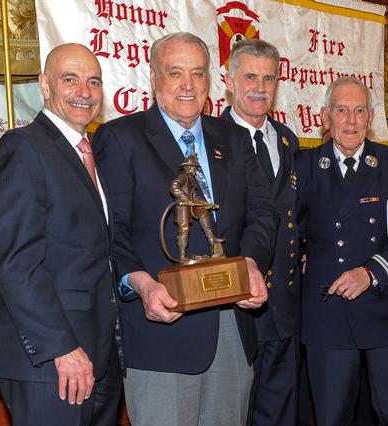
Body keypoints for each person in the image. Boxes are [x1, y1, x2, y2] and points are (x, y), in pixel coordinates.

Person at [93, 32, 277, 426]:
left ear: (210, 81)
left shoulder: (233, 137)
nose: (188, 85)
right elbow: (113, 230)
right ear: (154, 79)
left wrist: (250, 262)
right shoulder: (120, 138)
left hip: (232, 325)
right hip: (162, 327)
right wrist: (141, 284)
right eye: (175, 73)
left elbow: (262, 211)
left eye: (197, 73)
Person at [0, 43, 121, 425]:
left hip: (98, 353)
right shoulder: (23, 147)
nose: (85, 91)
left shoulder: (89, 154)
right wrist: (62, 348)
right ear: (45, 85)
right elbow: (15, 263)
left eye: (94, 81)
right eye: (70, 79)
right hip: (52, 360)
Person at [295, 76, 388, 425]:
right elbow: (289, 228)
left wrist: (369, 273)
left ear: (370, 117)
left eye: (359, 111)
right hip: (328, 313)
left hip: (387, 311)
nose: (351, 121)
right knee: (332, 417)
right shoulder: (304, 166)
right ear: (325, 117)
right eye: (342, 110)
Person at [220, 39, 302, 426]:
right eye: (250, 76)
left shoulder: (287, 139)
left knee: (280, 410)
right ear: (229, 81)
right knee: (237, 412)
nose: (260, 86)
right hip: (237, 304)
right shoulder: (210, 137)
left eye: (269, 78)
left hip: (284, 303)